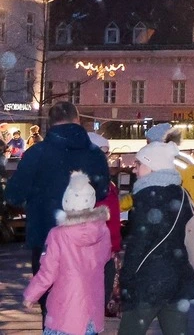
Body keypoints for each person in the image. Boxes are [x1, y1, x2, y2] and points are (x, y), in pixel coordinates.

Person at [5, 102, 109, 323]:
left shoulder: (37, 153)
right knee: (85, 301)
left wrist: (34, 202)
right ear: (77, 120)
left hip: (46, 236)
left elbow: (13, 195)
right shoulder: (95, 154)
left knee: (52, 306)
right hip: (87, 240)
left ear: (49, 125)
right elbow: (101, 191)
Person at [119, 141, 194, 335]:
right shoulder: (183, 194)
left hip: (148, 283)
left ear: (152, 167)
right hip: (179, 281)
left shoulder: (145, 198)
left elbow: (138, 244)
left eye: (139, 164)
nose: (134, 170)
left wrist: (126, 280)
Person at [22, 171, 112, 335]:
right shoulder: (103, 230)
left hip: (65, 312)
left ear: (66, 201)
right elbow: (106, 257)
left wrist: (31, 294)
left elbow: (48, 272)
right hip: (91, 311)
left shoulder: (58, 234)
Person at [88, 132, 123, 316]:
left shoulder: (102, 183)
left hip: (106, 246)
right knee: (97, 296)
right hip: (101, 247)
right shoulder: (98, 184)